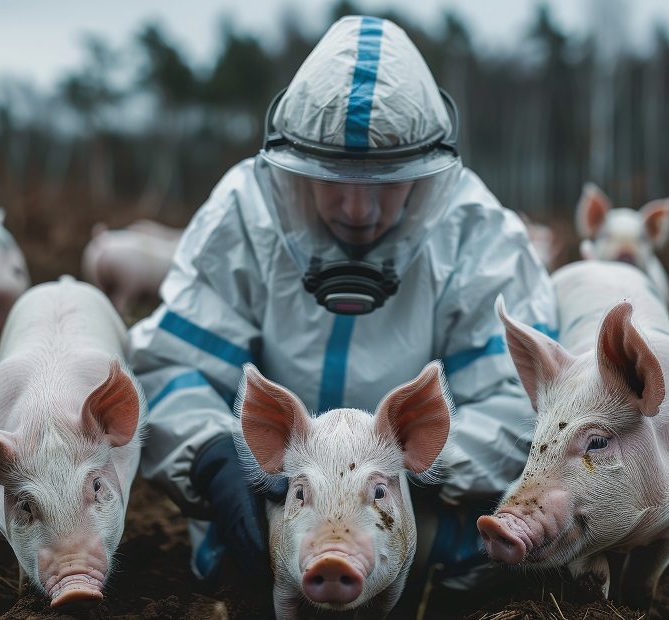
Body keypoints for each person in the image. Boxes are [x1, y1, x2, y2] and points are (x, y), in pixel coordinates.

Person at [127, 14, 557, 593]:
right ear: (288, 167)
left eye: (387, 181)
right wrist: (215, 457)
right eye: (330, 178)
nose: (357, 210)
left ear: (429, 177)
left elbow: (527, 402)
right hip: (268, 499)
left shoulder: (478, 238)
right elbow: (170, 365)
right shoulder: (243, 219)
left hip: (418, 512)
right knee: (238, 577)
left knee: (458, 570)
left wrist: (415, 466)